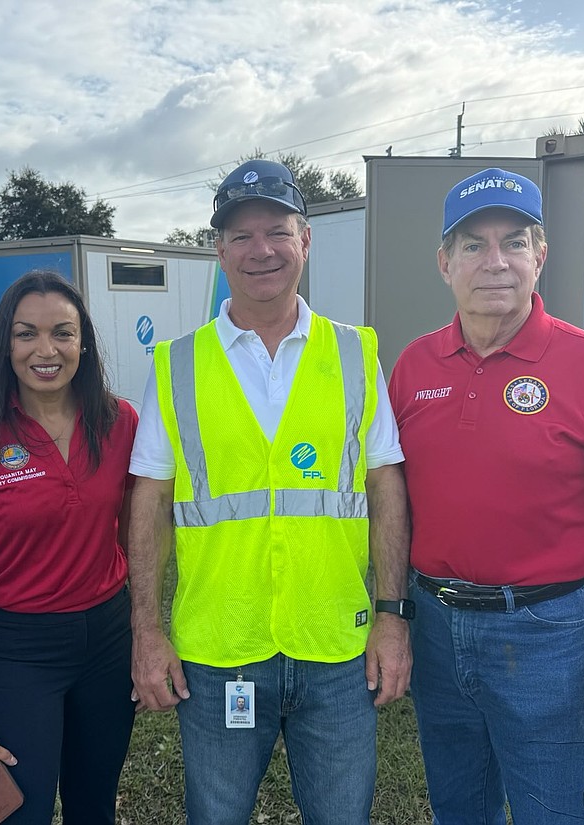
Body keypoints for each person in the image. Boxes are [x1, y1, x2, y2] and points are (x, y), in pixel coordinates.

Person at [128, 159, 412, 825]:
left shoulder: (355, 354)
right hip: (220, 649)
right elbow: (149, 503)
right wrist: (146, 629)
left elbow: (386, 485)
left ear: (306, 240)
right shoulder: (176, 365)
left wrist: (393, 616)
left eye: (278, 231)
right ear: (219, 250)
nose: (262, 250)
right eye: (242, 235)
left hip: (337, 648)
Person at [388, 167, 584, 825]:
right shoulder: (414, 366)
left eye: (514, 242)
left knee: (557, 812)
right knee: (459, 808)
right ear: (444, 262)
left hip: (547, 633)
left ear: (541, 256)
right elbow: (394, 500)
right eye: (473, 245)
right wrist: (394, 612)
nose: (495, 262)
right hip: (437, 627)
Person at [0, 270, 138, 825]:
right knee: (15, 814)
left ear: (83, 343)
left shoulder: (121, 424)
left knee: (95, 807)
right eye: (27, 334)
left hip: (108, 642)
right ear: (5, 344)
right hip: (20, 650)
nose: (47, 350)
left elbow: (136, 542)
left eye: (62, 333)